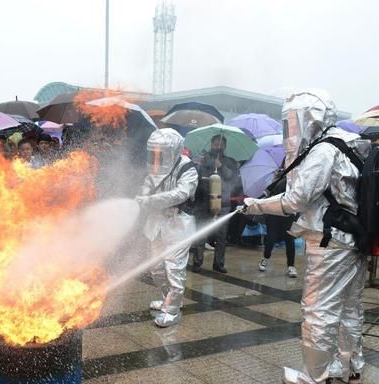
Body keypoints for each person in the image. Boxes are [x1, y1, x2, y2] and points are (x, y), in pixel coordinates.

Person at [242, 90, 368, 384]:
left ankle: (314, 375)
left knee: (318, 310)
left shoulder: (323, 150)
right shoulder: (347, 143)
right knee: (350, 307)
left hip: (330, 243)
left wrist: (255, 205)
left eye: (291, 123)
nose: (289, 131)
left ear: (306, 120)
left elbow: (295, 200)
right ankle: (350, 365)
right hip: (352, 240)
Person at [135, 128, 198, 327]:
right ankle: (167, 300)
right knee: (156, 268)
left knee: (174, 269)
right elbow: (146, 185)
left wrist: (152, 200)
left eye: (160, 153)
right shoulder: (154, 168)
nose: (156, 157)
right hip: (155, 224)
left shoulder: (187, 168)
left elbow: (182, 193)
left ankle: (172, 311)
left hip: (178, 225)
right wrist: (142, 197)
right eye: (153, 153)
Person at [191, 134, 239, 273]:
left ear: (225, 146)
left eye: (221, 144)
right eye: (216, 144)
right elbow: (196, 176)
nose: (218, 146)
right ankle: (197, 263)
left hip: (222, 203)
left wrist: (221, 166)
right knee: (201, 234)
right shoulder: (202, 159)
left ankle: (218, 263)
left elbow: (232, 177)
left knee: (222, 236)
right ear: (211, 144)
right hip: (204, 202)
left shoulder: (230, 161)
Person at [258, 175, 298, 278]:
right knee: (271, 238)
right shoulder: (276, 181)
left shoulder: (297, 181)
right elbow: (267, 195)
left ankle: (291, 266)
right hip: (274, 213)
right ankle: (265, 258)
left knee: (289, 239)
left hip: (288, 214)